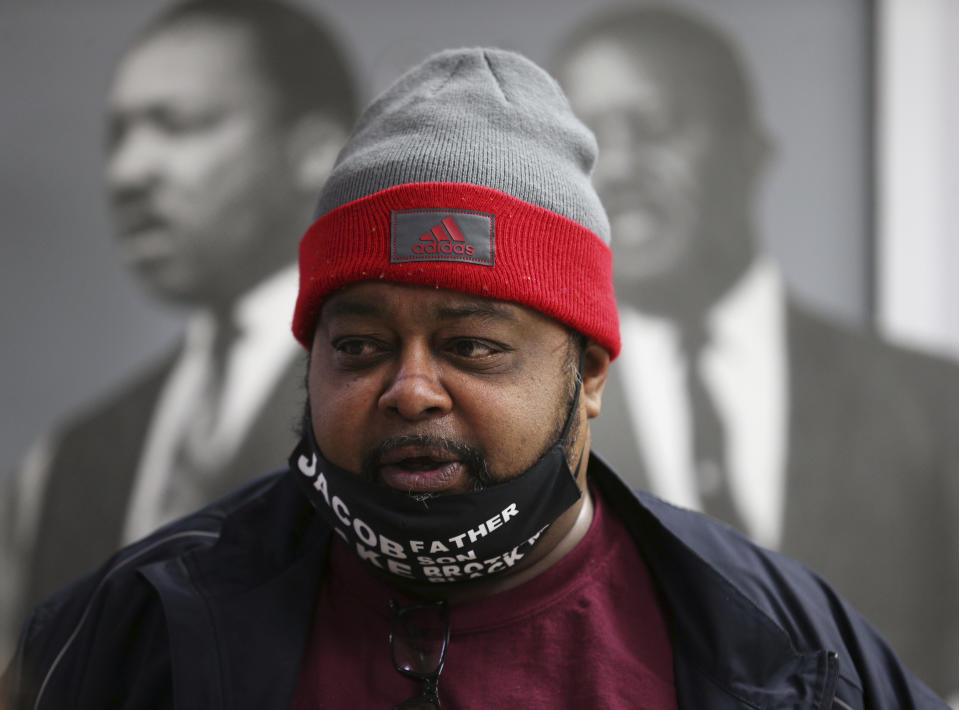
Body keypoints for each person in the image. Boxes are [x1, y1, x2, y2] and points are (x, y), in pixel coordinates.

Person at [1, 46, 948, 709]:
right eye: (360, 347)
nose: (410, 390)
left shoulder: (791, 653)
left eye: (473, 348)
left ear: (587, 373)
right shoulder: (122, 631)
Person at [552, 5, 959, 700]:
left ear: (750, 151)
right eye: (587, 145)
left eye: (653, 127)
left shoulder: (932, 403)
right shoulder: (526, 422)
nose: (616, 168)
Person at [0, 0, 358, 663]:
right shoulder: (72, 462)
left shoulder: (410, 415)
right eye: (119, 135)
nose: (127, 172)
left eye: (178, 126)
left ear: (315, 154)